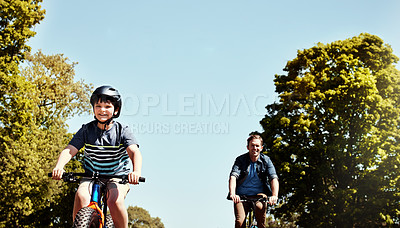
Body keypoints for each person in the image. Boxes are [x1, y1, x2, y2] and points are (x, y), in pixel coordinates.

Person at [52, 85, 142, 228]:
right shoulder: (86, 130)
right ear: (93, 108)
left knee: (115, 201)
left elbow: (134, 152)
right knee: (81, 196)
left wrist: (136, 171)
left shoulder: (122, 130)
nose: (102, 110)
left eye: (107, 106)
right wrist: (59, 167)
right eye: (98, 106)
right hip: (91, 175)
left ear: (116, 110)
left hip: (117, 176)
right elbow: (69, 150)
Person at [228, 134, 279, 228]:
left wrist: (274, 195)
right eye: (252, 145)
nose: (254, 148)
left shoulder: (266, 160)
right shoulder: (240, 160)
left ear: (261, 147)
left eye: (257, 146)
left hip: (259, 195)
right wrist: (233, 194)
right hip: (241, 196)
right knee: (240, 222)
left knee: (260, 211)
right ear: (248, 147)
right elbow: (233, 176)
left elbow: (273, 178)